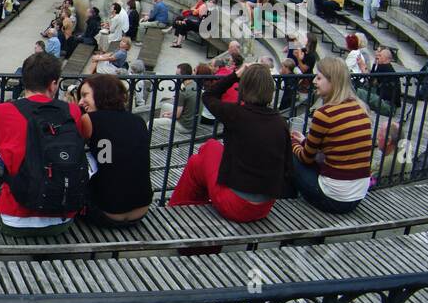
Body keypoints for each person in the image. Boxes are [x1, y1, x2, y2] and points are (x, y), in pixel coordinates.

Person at [0, 52, 92, 235]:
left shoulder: (4, 111)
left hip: (14, 219)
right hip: (63, 219)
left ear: (25, 80)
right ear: (53, 84)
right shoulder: (72, 111)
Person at [169, 64, 291, 223]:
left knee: (202, 155)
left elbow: (208, 95)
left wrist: (235, 75)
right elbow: (288, 168)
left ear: (244, 87)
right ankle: (179, 210)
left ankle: (174, 210)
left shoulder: (236, 114)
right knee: (203, 157)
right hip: (264, 206)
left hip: (237, 205)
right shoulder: (280, 123)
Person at [290, 58, 374, 213]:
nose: (314, 81)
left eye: (319, 78)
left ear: (333, 81)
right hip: (356, 196)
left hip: (334, 199)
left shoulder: (324, 114)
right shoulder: (360, 108)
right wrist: (304, 141)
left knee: (289, 154)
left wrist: (293, 143)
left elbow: (306, 158)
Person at [77, 74, 151, 226]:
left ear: (101, 93)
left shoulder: (89, 119)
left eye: (85, 95)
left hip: (106, 212)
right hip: (141, 210)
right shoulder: (138, 121)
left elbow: (74, 147)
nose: (80, 102)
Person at [153, 63, 201, 138]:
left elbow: (177, 115)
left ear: (182, 76)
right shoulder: (195, 85)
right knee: (165, 106)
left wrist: (166, 116)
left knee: (152, 123)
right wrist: (169, 114)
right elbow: (183, 110)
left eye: (177, 75)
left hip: (184, 126)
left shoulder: (183, 92)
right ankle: (162, 133)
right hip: (193, 123)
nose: (175, 77)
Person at [362, 46, 401, 116]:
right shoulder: (387, 67)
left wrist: (362, 67)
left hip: (387, 106)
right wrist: (374, 63)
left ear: (386, 58)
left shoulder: (384, 67)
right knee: (362, 88)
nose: (377, 56)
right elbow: (373, 79)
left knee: (359, 91)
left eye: (380, 55)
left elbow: (371, 80)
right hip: (389, 103)